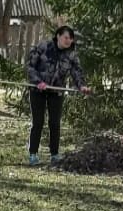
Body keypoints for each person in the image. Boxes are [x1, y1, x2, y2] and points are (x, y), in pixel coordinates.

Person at [25, 25, 89, 165]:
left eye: (71, 39)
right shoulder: (44, 46)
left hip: (56, 91)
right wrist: (38, 82)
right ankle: (33, 153)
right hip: (38, 90)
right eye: (66, 37)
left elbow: (76, 72)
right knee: (38, 122)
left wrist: (81, 86)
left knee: (54, 123)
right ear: (58, 36)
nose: (68, 41)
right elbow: (30, 66)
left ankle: (54, 154)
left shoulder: (71, 54)